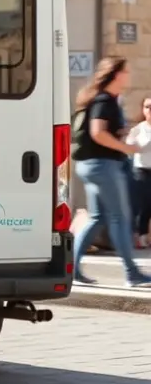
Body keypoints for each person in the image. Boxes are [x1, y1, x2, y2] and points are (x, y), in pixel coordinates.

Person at [72, 56, 151, 288]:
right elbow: (98, 133)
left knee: (97, 218)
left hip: (93, 165)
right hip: (103, 165)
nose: (128, 76)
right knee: (119, 218)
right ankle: (132, 273)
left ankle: (74, 269)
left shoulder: (103, 99)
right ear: (116, 74)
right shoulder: (105, 99)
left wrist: (122, 133)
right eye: (125, 72)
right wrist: (125, 147)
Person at [124, 96, 151, 249]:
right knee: (142, 205)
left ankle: (144, 236)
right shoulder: (138, 129)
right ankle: (139, 237)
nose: (150, 110)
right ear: (143, 110)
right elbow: (130, 146)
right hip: (142, 171)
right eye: (148, 107)